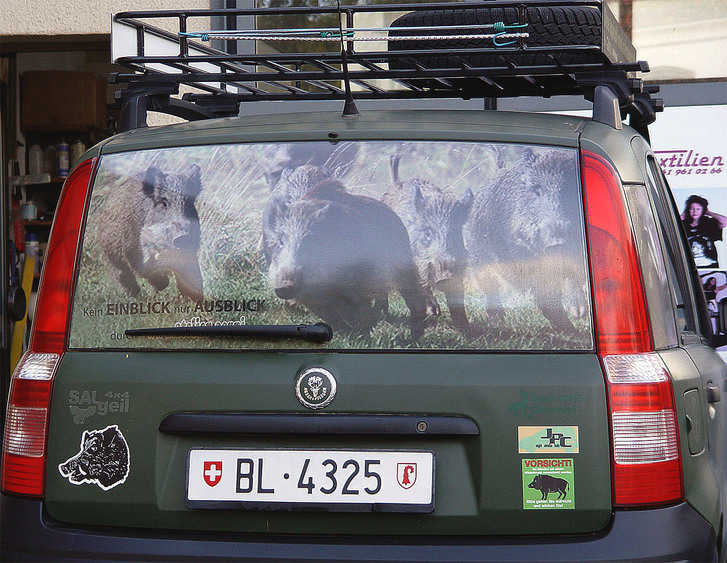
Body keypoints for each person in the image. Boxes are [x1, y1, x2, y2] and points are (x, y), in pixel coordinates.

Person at [681, 195, 727, 268]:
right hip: (689, 267)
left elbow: (725, 222)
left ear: (703, 210)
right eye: (692, 209)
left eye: (698, 209)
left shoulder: (708, 223)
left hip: (710, 266)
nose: (695, 211)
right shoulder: (683, 224)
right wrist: (684, 214)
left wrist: (709, 213)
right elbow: (672, 226)